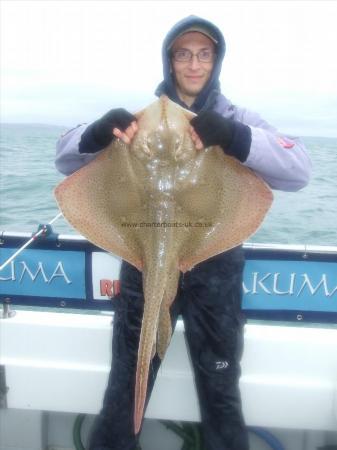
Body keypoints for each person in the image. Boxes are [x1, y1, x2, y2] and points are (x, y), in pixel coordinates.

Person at [55, 15, 311, 450]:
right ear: (170, 61)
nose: (194, 64)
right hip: (143, 257)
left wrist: (234, 137)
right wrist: (99, 132)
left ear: (216, 61)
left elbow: (299, 168)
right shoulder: (138, 121)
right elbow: (64, 157)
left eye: (204, 54)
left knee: (221, 390)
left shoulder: (236, 118)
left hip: (215, 264)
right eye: (183, 54)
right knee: (126, 385)